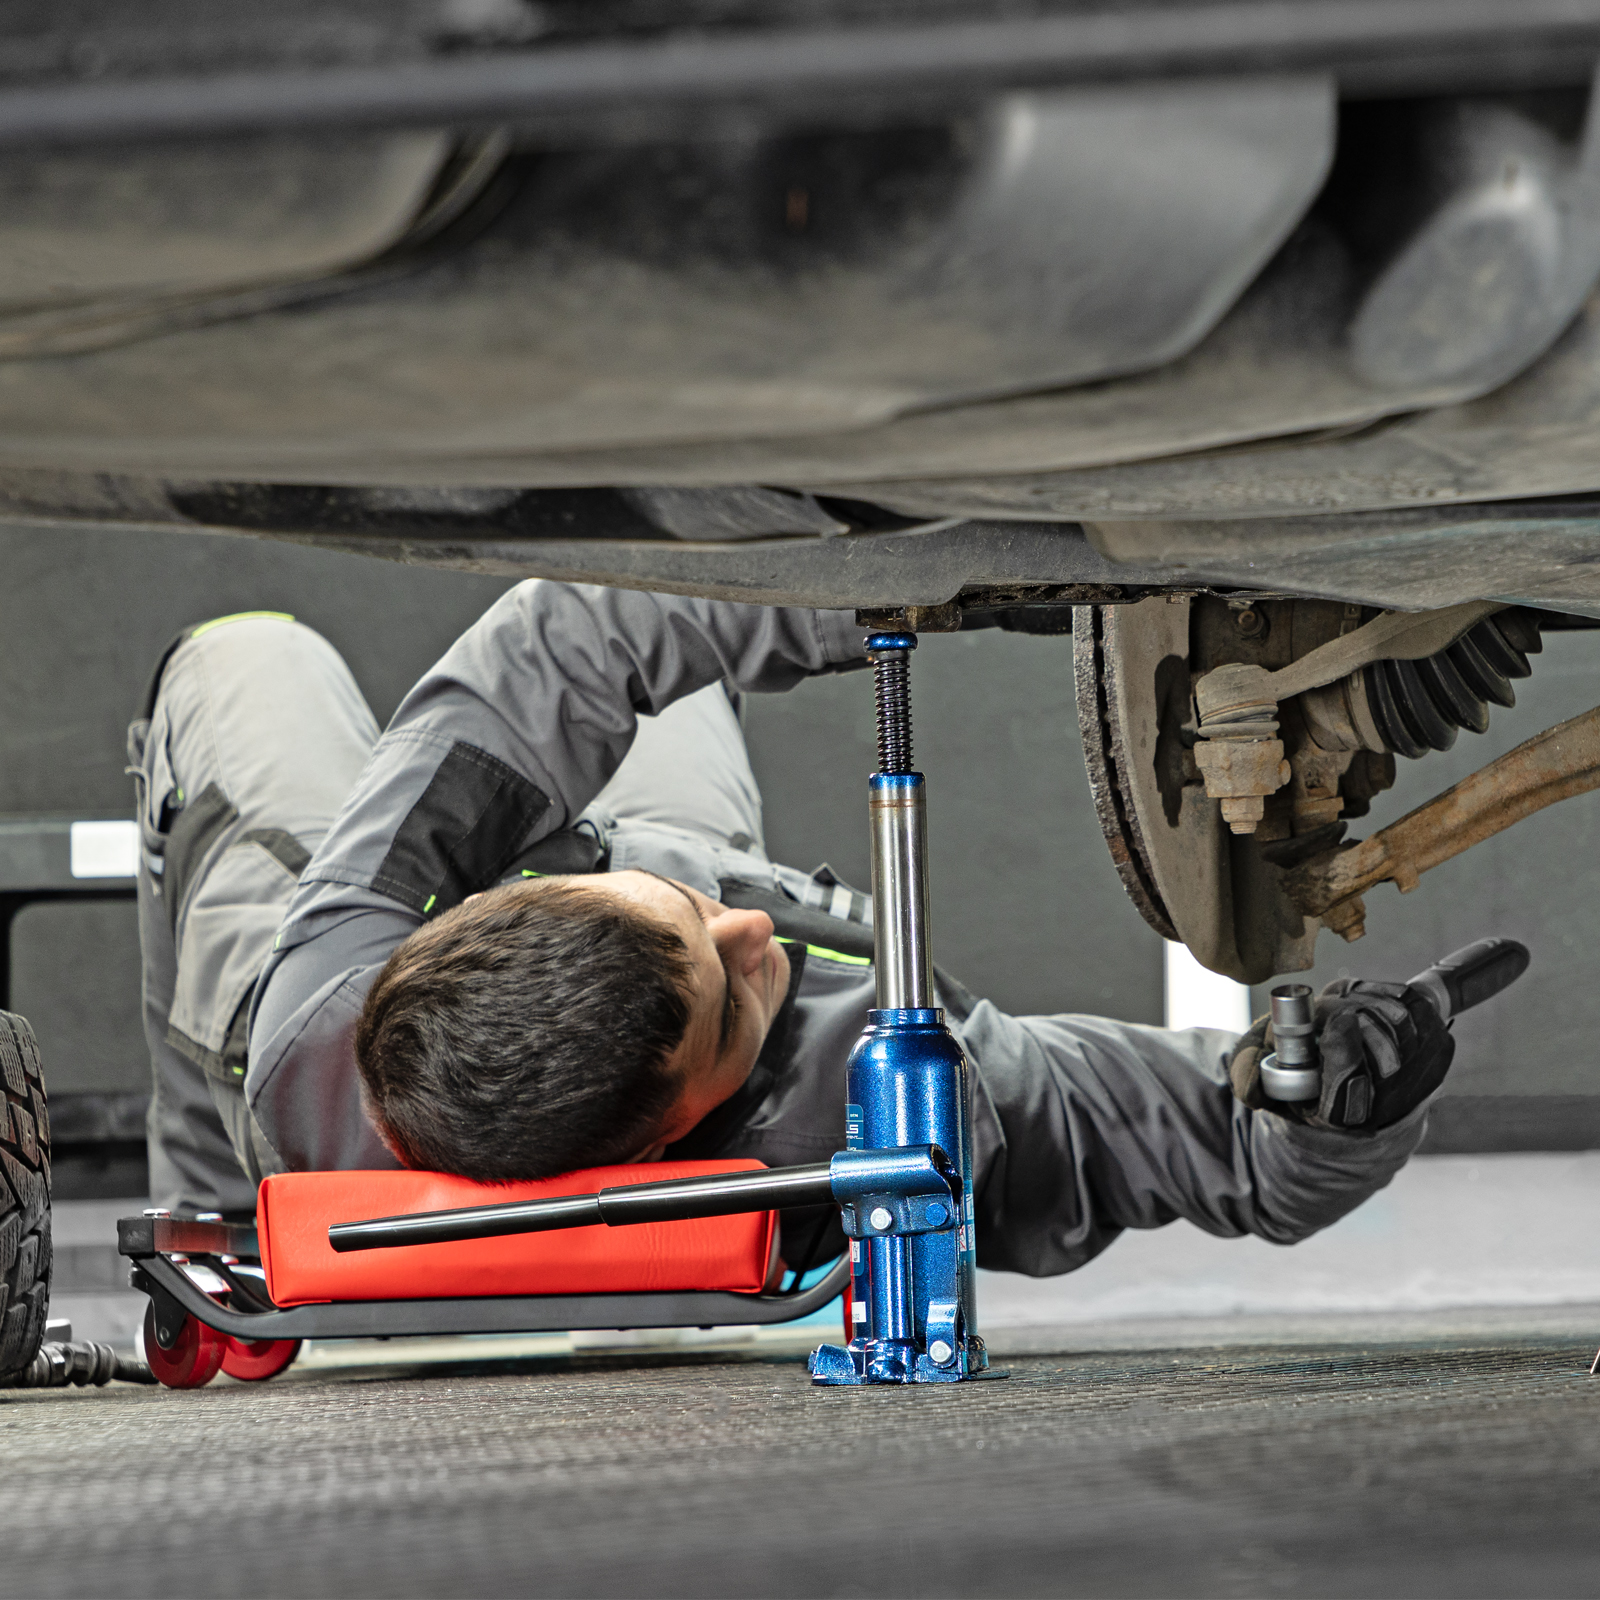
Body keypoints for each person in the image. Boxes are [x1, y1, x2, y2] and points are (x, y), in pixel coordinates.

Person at [130, 585, 1454, 1283]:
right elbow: (1204, 1148)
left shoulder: (337, 981)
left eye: (694, 923)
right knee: (265, 669)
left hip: (347, 980)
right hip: (321, 1067)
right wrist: (1334, 1112)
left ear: (495, 904)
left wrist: (885, 585)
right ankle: (216, 1196)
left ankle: (220, 1182)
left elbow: (569, 640)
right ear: (670, 1134)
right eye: (731, 996)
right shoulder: (839, 1120)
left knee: (249, 664)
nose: (755, 929)